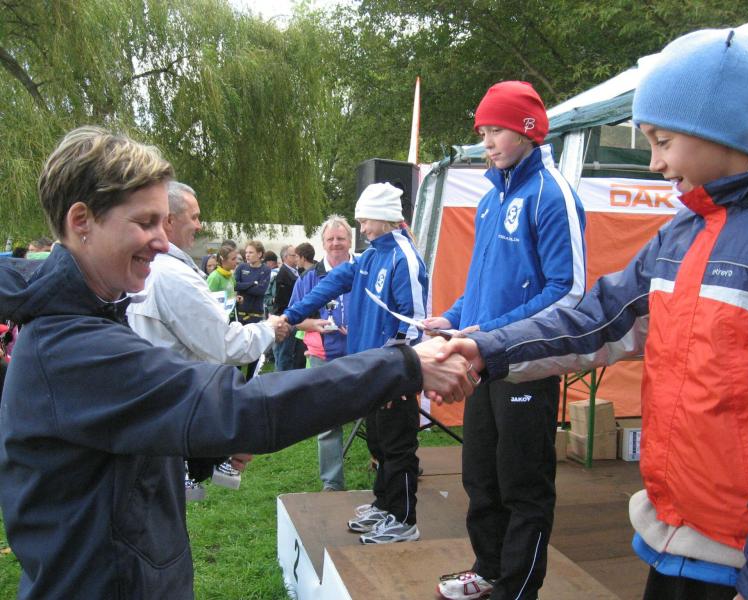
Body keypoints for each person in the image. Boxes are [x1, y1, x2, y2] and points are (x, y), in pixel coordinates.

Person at [0, 125, 475, 599]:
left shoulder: (90, 318)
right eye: (145, 223)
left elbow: (123, 444)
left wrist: (206, 449)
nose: (162, 242)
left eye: (163, 223)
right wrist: (401, 366)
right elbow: (241, 407)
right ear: (81, 220)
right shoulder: (72, 347)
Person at [436, 30, 748, 600]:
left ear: (719, 129)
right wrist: (487, 347)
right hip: (675, 537)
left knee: (522, 484)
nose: (654, 163)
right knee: (487, 477)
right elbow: (601, 317)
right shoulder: (684, 230)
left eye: (662, 141)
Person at [425, 80, 586, 600]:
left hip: (528, 364)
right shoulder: (491, 198)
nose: (487, 142)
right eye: (483, 132)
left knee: (523, 483)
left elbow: (568, 291)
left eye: (497, 130)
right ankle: (489, 570)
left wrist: (494, 332)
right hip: (484, 362)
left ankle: (517, 590)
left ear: (528, 130)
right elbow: (483, 286)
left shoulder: (552, 194)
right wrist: (451, 319)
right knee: (480, 476)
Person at [284, 182, 431, 544]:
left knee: (398, 447)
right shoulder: (369, 257)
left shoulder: (404, 257)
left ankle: (404, 519)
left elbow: (414, 325)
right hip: (370, 371)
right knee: (378, 442)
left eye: (365, 220)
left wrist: (397, 375)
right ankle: (384, 504)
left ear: (384, 217)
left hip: (391, 374)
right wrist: (290, 316)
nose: (361, 227)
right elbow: (329, 284)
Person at [127, 182, 283, 498]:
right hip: (175, 414)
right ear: (169, 219)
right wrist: (269, 328)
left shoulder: (148, 269)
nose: (199, 225)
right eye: (194, 217)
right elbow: (225, 345)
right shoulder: (173, 275)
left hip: (155, 412)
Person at [289, 215, 354, 491]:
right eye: (330, 239)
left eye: (341, 238)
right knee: (327, 420)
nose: (336, 243)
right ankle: (332, 483)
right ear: (323, 243)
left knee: (376, 413)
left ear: (350, 241)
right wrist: (315, 324)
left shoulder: (363, 270)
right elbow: (292, 318)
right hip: (322, 356)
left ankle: (385, 466)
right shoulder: (309, 278)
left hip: (361, 353)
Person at [234, 239, 272, 379]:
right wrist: (252, 283)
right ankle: (235, 380)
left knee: (254, 350)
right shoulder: (241, 267)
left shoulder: (265, 270)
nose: (247, 255)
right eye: (246, 252)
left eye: (251, 252)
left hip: (255, 315)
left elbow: (260, 291)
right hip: (240, 314)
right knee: (238, 349)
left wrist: (245, 287)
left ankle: (251, 381)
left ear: (260, 254)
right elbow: (235, 285)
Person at [271, 244, 301, 371]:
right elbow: (281, 300)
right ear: (285, 257)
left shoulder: (295, 272)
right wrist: (285, 318)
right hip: (285, 318)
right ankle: (280, 377)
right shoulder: (283, 274)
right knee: (284, 353)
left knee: (288, 352)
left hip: (290, 316)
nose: (297, 258)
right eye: (294, 255)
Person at [207, 245, 238, 318]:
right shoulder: (214, 277)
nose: (236, 261)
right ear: (223, 260)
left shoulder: (230, 275)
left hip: (231, 316)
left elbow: (230, 294)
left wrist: (235, 298)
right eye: (233, 259)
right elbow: (207, 300)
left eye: (236, 258)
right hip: (219, 318)